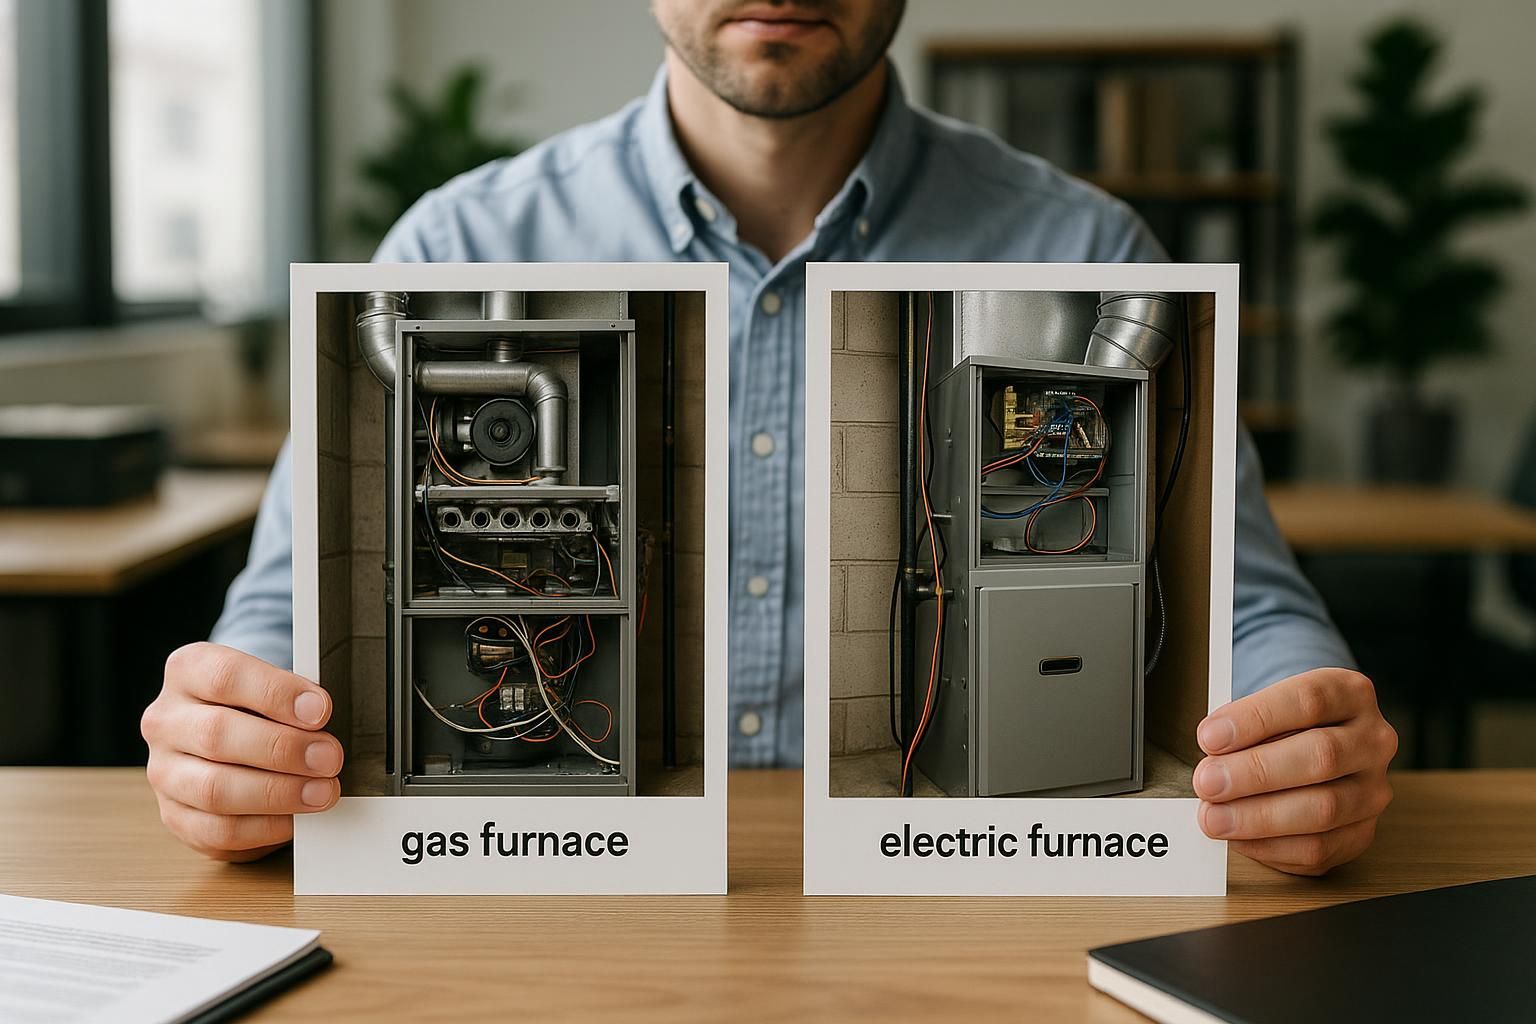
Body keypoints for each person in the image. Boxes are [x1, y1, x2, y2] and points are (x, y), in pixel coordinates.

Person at [141, 0, 1397, 874]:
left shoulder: (1090, 253)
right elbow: (284, 615)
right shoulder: (449, 251)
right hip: (553, 904)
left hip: (961, 916)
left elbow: (1247, 611)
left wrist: (1299, 730)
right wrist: (231, 736)